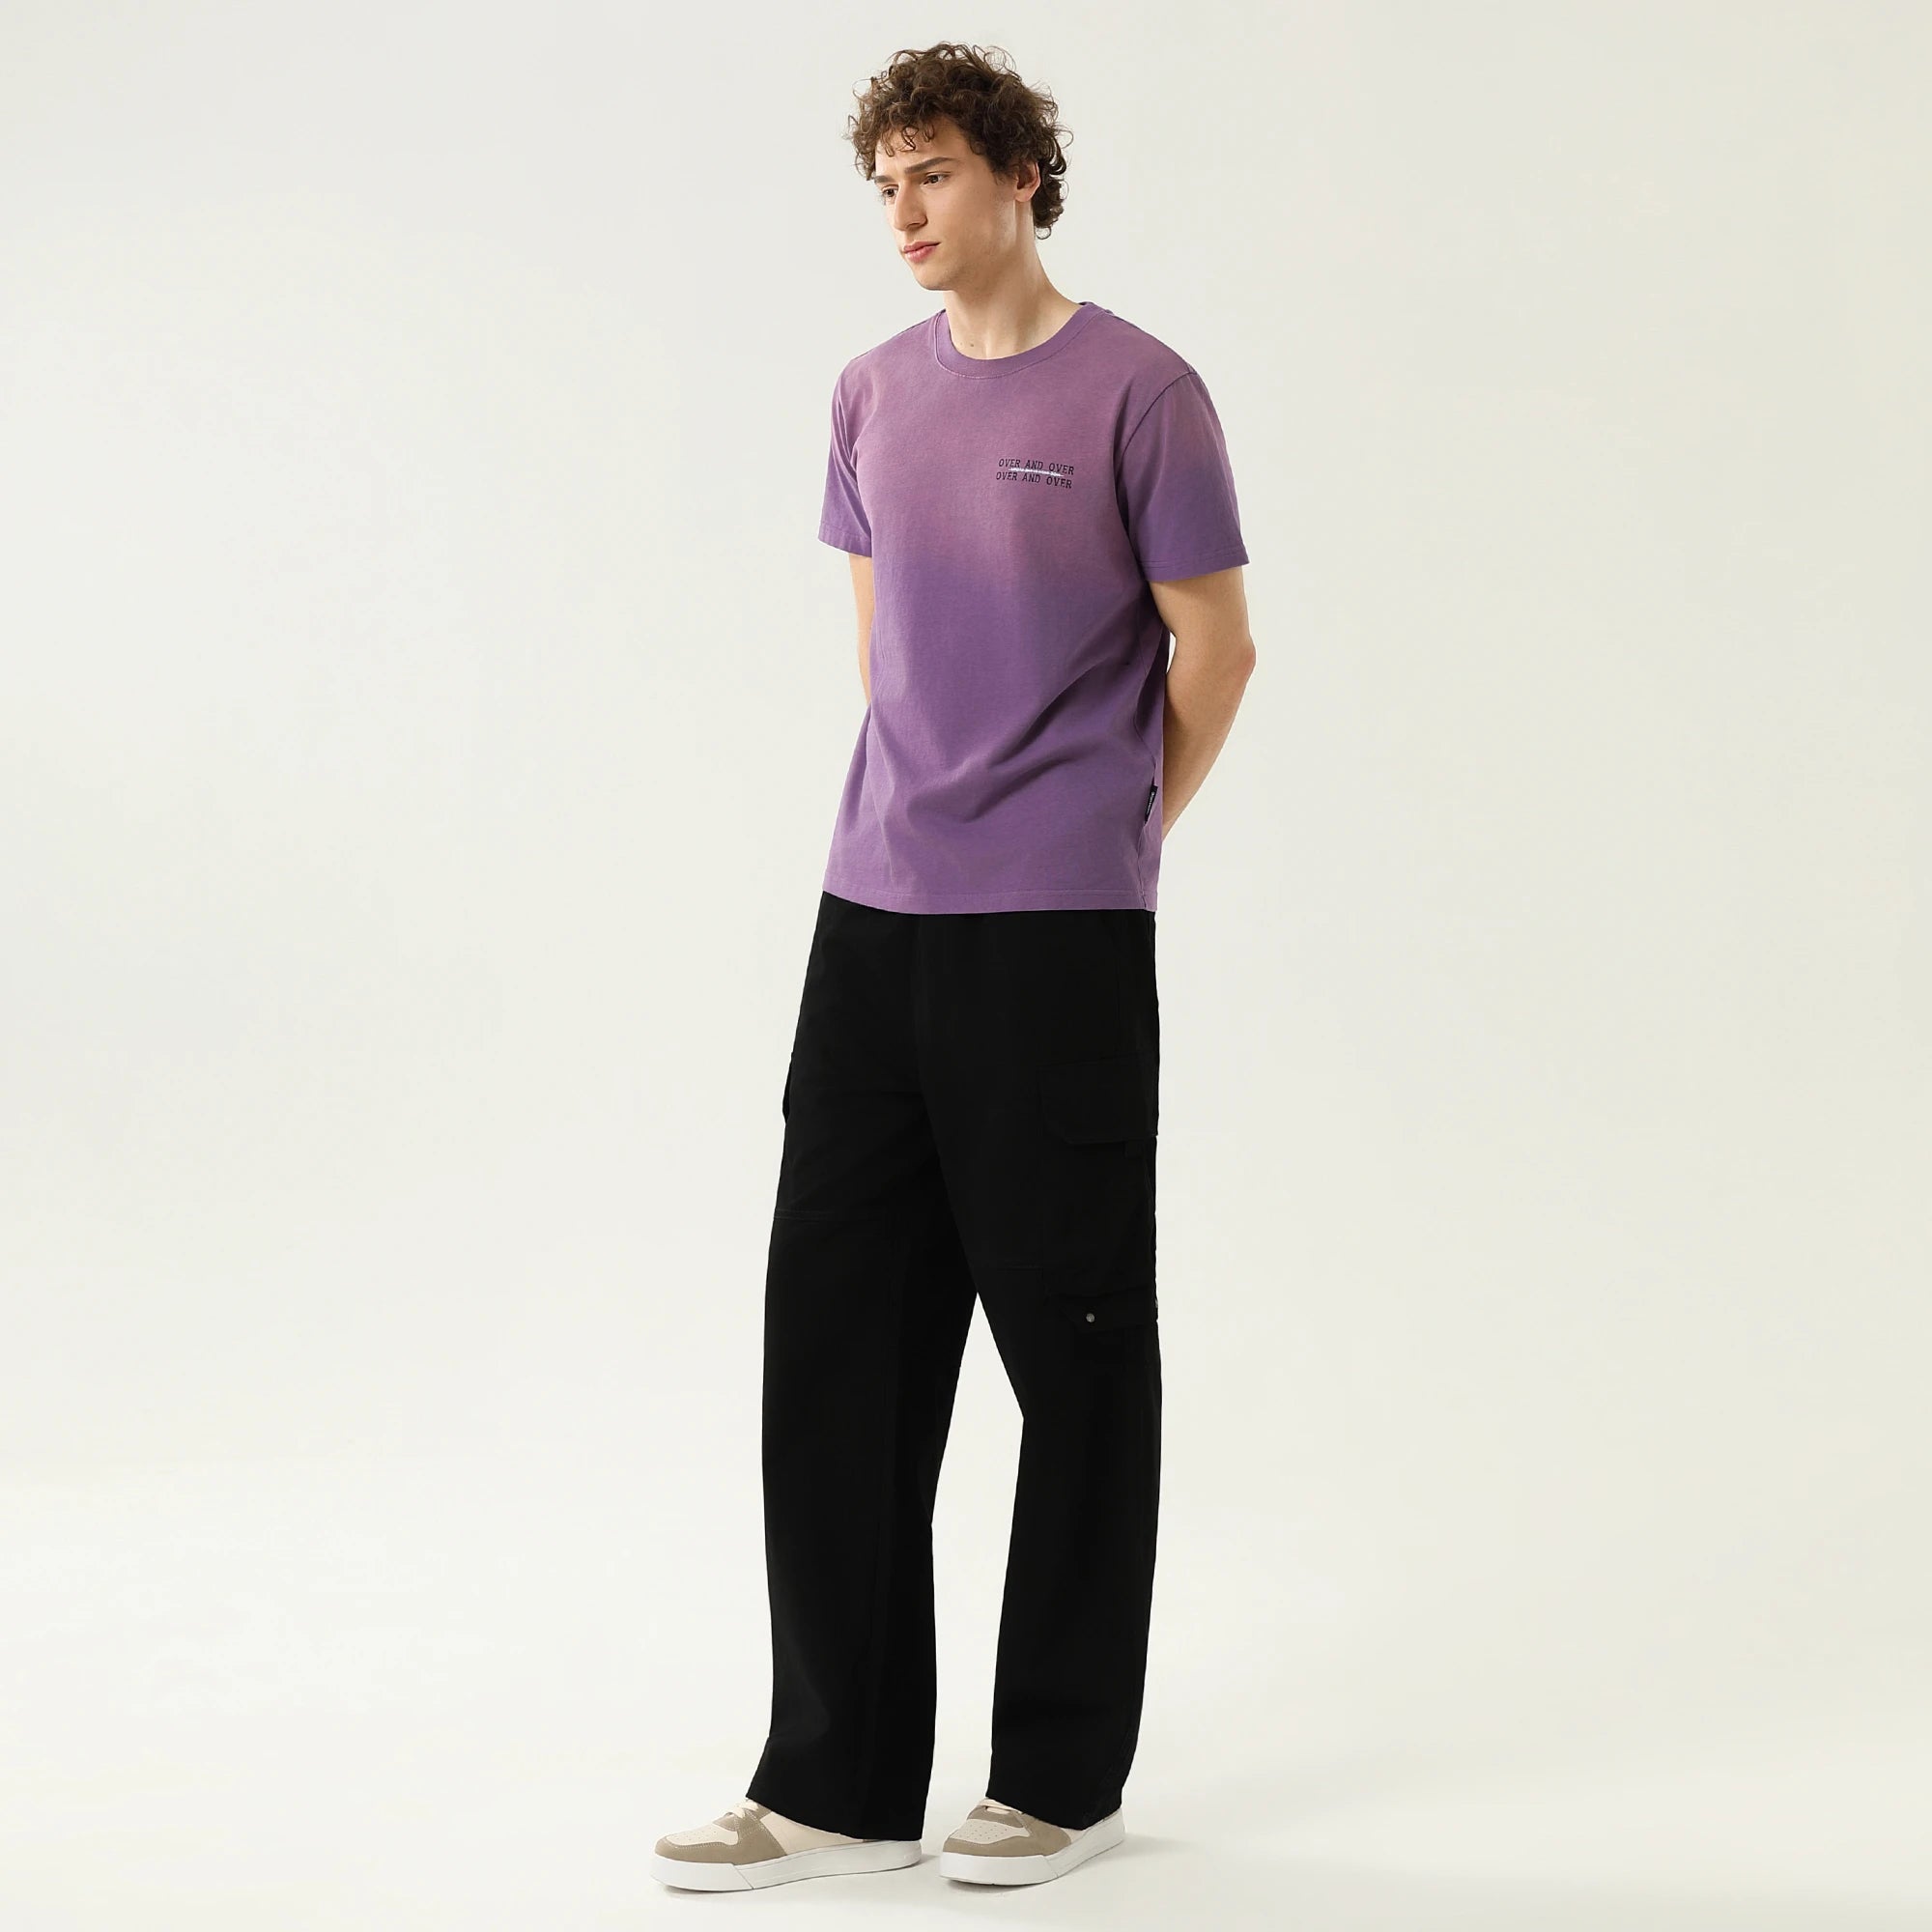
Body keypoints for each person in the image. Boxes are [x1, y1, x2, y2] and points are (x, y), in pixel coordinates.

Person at [652, 41, 1255, 1894]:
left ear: (1018, 179)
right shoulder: (868, 394)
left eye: (932, 174)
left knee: (1076, 1353)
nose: (904, 211)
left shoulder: (1144, 392)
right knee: (835, 1343)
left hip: (1056, 935)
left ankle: (1061, 1776)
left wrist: (1112, 833)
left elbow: (1218, 649)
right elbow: (885, 650)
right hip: (873, 920)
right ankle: (836, 1787)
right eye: (885, 183)